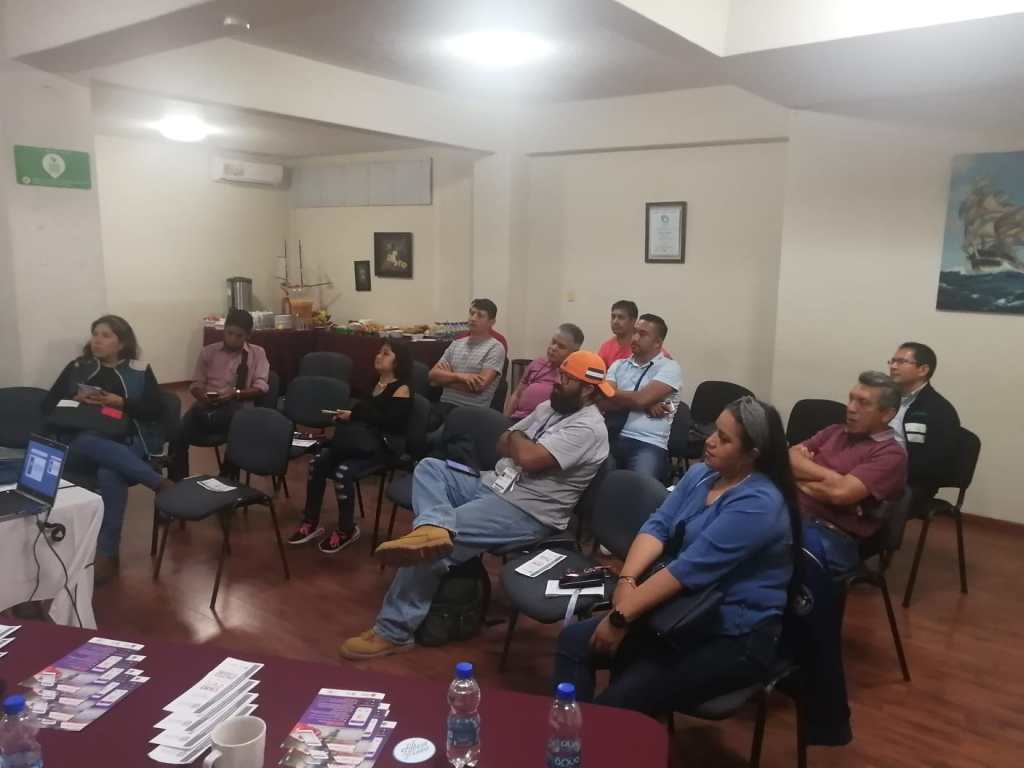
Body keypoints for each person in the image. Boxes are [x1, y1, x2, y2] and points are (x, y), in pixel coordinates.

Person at [339, 350, 613, 660]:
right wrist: (517, 439)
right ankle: (433, 526)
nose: (557, 382)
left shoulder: (588, 428)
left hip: (527, 510)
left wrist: (517, 437)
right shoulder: (551, 407)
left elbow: (527, 457)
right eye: (560, 375)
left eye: (567, 379)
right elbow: (501, 442)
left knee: (432, 547)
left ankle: (393, 632)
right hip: (493, 483)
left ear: (587, 389)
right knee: (430, 468)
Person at [553, 397, 800, 714]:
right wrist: (627, 582)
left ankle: (590, 736)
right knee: (573, 643)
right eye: (715, 430)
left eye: (724, 439)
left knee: (618, 704)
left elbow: (689, 569)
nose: (710, 441)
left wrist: (621, 616)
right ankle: (572, 732)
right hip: (680, 610)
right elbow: (657, 526)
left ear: (752, 454)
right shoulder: (702, 475)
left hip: (731, 634)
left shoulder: (759, 503)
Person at [42, 315, 172, 582]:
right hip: (81, 441)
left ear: (121, 343)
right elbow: (48, 405)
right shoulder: (78, 367)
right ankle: (158, 483)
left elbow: (156, 410)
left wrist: (121, 403)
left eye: (105, 335)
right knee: (88, 442)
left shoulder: (139, 369)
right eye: (95, 334)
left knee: (109, 472)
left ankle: (108, 555)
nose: (97, 340)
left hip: (127, 441)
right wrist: (75, 399)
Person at [288, 340, 413, 553]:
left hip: (383, 447)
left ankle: (346, 529)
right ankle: (310, 520)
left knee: (342, 472)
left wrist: (355, 415)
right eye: (379, 352)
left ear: (398, 361)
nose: (378, 356)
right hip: (360, 442)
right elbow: (365, 414)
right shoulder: (375, 382)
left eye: (385, 353)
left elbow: (391, 423)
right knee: (317, 463)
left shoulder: (402, 389)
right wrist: (348, 416)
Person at [789, 371, 907, 576]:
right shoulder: (834, 431)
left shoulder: (891, 454)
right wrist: (834, 479)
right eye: (851, 399)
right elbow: (789, 457)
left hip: (829, 534)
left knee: (761, 547)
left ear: (887, 414)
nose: (851, 408)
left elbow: (839, 494)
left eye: (863, 402)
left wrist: (795, 477)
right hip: (790, 513)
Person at [170, 309, 270, 480]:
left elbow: (261, 386)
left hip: (238, 406)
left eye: (239, 335)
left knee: (238, 428)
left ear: (248, 335)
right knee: (177, 432)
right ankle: (177, 481)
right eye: (229, 333)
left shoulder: (257, 353)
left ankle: (227, 479)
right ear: (224, 330)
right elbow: (196, 384)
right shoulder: (208, 352)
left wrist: (235, 394)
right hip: (208, 405)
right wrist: (203, 397)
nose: (232, 339)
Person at [601, 313, 682, 479]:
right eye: (635, 332)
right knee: (593, 479)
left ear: (657, 342)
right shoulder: (618, 365)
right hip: (612, 435)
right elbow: (603, 401)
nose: (635, 338)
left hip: (648, 443)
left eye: (642, 334)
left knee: (639, 487)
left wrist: (640, 400)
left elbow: (640, 399)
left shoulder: (669, 367)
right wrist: (645, 402)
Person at [887, 342, 960, 494]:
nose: (893, 366)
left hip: (911, 483)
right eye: (892, 361)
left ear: (923, 370)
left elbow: (935, 462)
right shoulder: (884, 399)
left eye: (901, 362)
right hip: (874, 468)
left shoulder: (939, 410)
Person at [427, 299, 506, 428]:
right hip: (444, 406)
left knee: (435, 436)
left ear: (491, 322)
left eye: (480, 315)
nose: (473, 318)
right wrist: (461, 377)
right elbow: (432, 377)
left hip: (471, 412)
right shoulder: (456, 344)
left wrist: (445, 380)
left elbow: (478, 387)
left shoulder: (495, 348)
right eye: (471, 313)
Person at [504, 323, 584, 421]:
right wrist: (505, 419)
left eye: (561, 346)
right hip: (516, 419)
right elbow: (517, 394)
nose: (553, 348)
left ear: (574, 352)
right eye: (553, 342)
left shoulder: (572, 377)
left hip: (540, 425)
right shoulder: (538, 363)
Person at [598, 300, 638, 368]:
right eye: (613, 317)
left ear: (633, 321)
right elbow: (598, 371)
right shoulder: (606, 347)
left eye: (621, 317)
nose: (615, 321)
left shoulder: (644, 346)